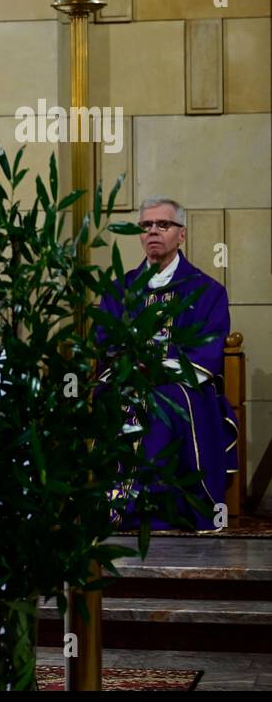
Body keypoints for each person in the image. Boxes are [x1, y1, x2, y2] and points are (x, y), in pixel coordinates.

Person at [97, 196, 239, 530]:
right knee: (121, 399)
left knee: (165, 400)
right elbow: (106, 342)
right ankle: (122, 508)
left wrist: (158, 370)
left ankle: (168, 509)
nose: (153, 232)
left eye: (163, 225)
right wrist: (132, 369)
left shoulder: (207, 291)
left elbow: (209, 349)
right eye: (146, 226)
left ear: (181, 235)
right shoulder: (120, 290)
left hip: (185, 387)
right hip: (128, 381)